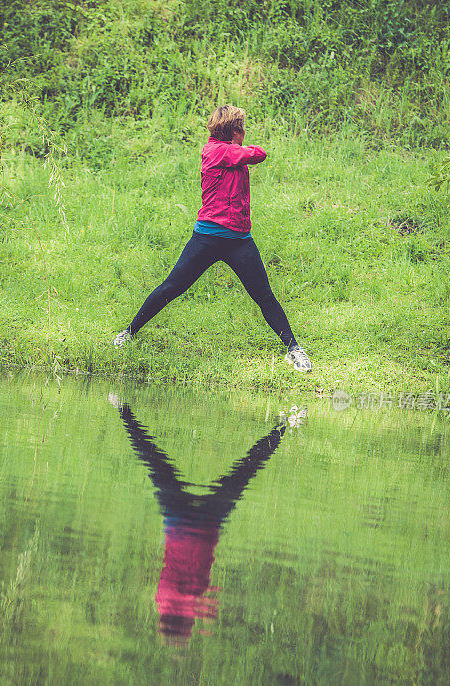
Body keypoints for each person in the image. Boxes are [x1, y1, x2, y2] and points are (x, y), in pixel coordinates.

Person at [113, 104, 312, 372]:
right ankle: (129, 333)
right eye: (243, 128)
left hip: (240, 241)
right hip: (207, 237)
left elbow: (251, 156)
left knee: (263, 295)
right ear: (235, 131)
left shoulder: (232, 153)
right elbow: (259, 153)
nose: (245, 133)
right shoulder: (216, 151)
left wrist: (239, 147)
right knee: (172, 287)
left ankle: (293, 349)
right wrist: (240, 146)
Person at [109, 394, 288, 646]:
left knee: (159, 462)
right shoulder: (173, 599)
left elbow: (180, 596)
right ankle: (283, 425)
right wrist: (201, 606)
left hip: (192, 523)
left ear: (184, 623)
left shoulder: (171, 599)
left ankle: (284, 425)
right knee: (159, 462)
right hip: (188, 523)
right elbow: (189, 594)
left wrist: (197, 608)